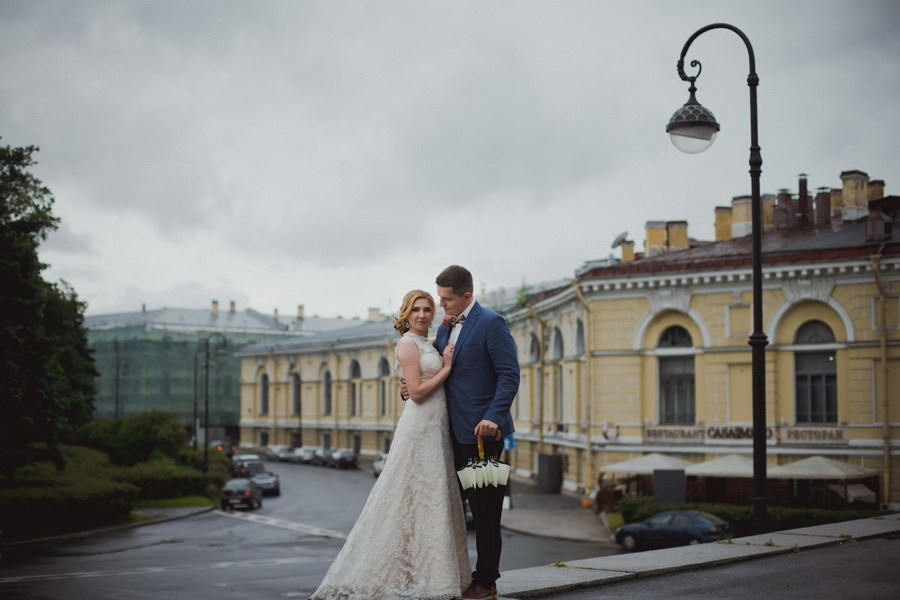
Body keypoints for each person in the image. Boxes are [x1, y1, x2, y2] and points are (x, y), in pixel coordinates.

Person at [310, 289, 469, 600]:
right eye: (416, 309)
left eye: (427, 309)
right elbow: (417, 393)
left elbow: (418, 377)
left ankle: (433, 574)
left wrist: (447, 326)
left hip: (436, 427)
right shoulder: (407, 344)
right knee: (406, 497)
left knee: (430, 498)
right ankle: (398, 574)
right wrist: (447, 368)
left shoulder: (428, 342)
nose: (421, 314)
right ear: (406, 313)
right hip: (420, 426)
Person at [432, 264, 520, 600]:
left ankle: (486, 582)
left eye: (447, 299)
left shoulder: (491, 323)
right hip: (451, 433)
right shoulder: (446, 328)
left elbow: (509, 375)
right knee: (452, 510)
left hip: (483, 438)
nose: (442, 305)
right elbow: (442, 373)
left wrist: (493, 418)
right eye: (440, 298)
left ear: (467, 296)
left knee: (485, 513)